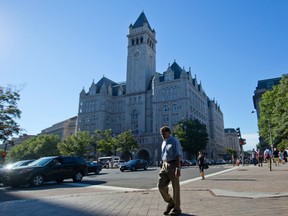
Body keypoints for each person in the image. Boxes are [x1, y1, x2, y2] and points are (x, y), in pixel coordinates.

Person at [158, 126, 183, 216]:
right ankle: (171, 202)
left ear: (168, 132)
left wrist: (178, 168)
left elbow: (178, 155)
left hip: (173, 164)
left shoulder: (174, 141)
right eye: (161, 134)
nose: (162, 135)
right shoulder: (163, 142)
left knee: (175, 187)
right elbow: (163, 154)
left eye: (164, 133)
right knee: (161, 186)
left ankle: (177, 209)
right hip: (164, 165)